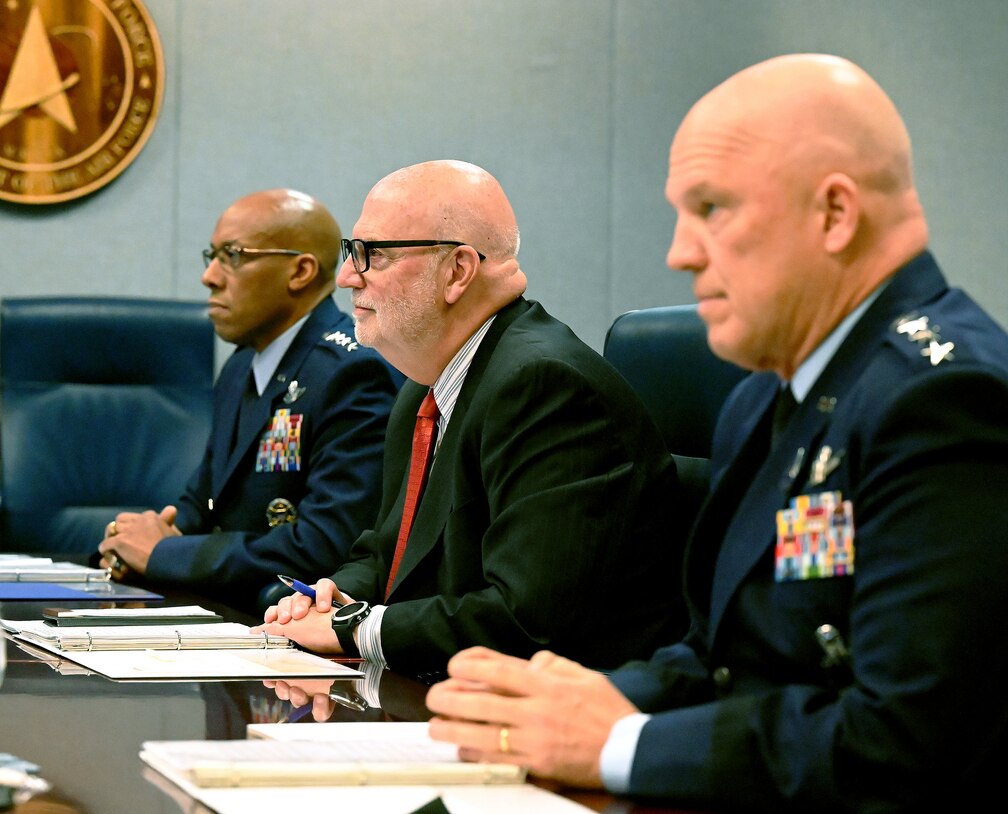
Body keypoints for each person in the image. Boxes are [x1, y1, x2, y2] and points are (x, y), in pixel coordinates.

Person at [425, 54, 1008, 810]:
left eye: (712, 209)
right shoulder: (767, 395)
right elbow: (719, 658)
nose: (680, 252)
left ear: (835, 214)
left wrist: (617, 743)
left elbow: (907, 744)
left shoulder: (945, 398)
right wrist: (582, 701)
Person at [257, 160, 685, 678]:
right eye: (353, 252)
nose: (347, 276)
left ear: (457, 271)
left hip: (552, 726)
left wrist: (354, 629)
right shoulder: (427, 382)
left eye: (371, 255)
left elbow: (524, 618)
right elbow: (386, 554)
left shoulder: (545, 386)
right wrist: (335, 599)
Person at [98, 189, 400, 613]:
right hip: (225, 607)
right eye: (213, 256)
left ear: (300, 271)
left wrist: (163, 555)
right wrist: (135, 541)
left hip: (290, 630)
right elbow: (203, 502)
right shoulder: (241, 365)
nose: (210, 276)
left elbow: (325, 545)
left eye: (233, 255)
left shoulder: (352, 371)